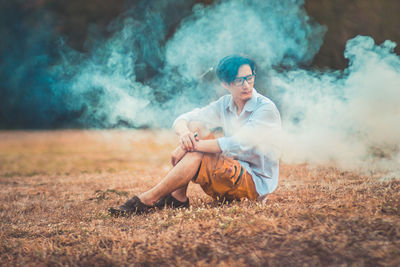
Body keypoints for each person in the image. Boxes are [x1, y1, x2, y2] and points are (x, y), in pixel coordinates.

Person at [109, 55, 281, 216]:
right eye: (239, 80)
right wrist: (185, 135)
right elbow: (184, 119)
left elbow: (237, 143)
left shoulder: (265, 109)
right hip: (231, 172)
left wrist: (188, 146)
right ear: (225, 83)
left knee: (197, 151)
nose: (246, 85)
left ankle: (147, 200)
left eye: (249, 78)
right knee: (195, 126)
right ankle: (178, 198)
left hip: (254, 185)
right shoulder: (225, 104)